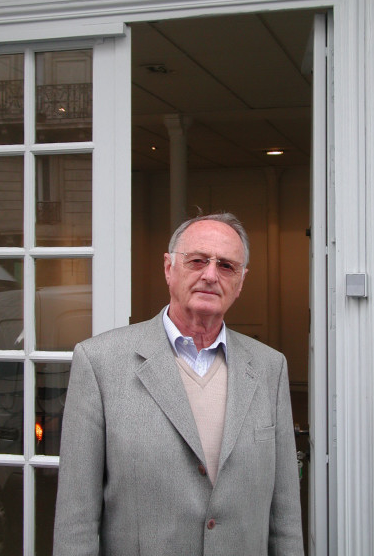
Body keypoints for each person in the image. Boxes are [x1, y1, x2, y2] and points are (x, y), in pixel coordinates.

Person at [53, 212, 304, 555]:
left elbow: (285, 518)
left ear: (241, 282)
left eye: (226, 266)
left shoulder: (269, 368)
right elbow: (76, 522)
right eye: (197, 260)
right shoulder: (100, 363)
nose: (210, 275)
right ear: (169, 268)